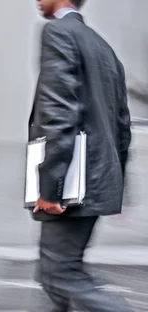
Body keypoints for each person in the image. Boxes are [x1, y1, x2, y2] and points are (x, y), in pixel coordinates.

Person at [30, 0, 133, 311]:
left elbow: (57, 116)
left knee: (59, 275)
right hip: (96, 183)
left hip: (71, 185)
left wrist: (50, 189)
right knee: (56, 274)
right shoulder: (104, 49)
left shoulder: (58, 32)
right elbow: (122, 129)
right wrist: (117, 186)